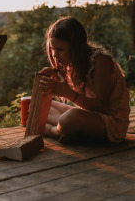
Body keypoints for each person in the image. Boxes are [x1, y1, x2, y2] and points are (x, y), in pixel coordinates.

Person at [39, 16, 130, 145]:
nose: (54, 55)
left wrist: (67, 92)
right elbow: (81, 104)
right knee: (36, 103)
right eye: (53, 49)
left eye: (60, 50)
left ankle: (52, 130)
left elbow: (102, 107)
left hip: (110, 123)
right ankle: (74, 132)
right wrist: (59, 83)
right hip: (86, 116)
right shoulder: (72, 64)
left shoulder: (100, 61)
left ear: (75, 47)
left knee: (69, 118)